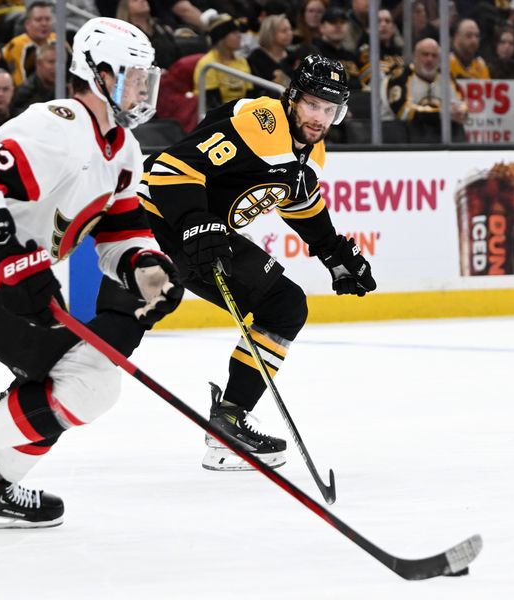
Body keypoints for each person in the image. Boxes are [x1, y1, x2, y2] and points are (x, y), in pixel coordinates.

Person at [0, 17, 182, 532]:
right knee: (87, 381)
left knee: (81, 382)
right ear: (97, 74)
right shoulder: (55, 127)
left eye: (147, 77)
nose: (144, 88)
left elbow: (119, 228)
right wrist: (13, 254)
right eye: (133, 76)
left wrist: (144, 264)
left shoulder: (122, 148)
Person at [139, 54, 376, 471]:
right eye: (312, 104)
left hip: (192, 232)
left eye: (329, 108)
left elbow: (299, 201)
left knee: (283, 306)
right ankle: (228, 423)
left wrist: (333, 252)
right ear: (292, 98)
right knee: (282, 305)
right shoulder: (263, 124)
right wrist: (196, 222)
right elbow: (171, 167)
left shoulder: (311, 153)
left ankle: (228, 425)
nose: (319, 118)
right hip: (157, 217)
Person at [381, 37, 467, 143]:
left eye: (434, 56)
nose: (429, 59)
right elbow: (403, 112)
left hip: (438, 135)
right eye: (425, 54)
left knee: (457, 127)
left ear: (440, 59)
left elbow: (461, 103)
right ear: (415, 57)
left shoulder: (446, 77)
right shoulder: (400, 77)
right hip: (404, 137)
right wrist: (441, 114)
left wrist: (461, 112)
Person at [193, 13, 253, 110]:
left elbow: (250, 94)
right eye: (234, 33)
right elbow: (212, 102)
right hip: (217, 116)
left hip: (241, 112)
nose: (239, 36)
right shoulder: (208, 63)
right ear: (221, 37)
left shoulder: (242, 61)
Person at [2, 1, 56, 87]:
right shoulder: (18, 45)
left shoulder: (57, 40)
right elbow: (20, 85)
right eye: (39, 20)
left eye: (47, 19)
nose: (44, 24)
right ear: (27, 24)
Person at [247, 13, 295, 88]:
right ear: (270, 33)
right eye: (284, 31)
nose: (290, 33)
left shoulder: (293, 56)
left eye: (290, 29)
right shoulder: (256, 57)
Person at [11, 40, 55, 115]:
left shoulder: (65, 90)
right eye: (51, 62)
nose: (55, 67)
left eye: (58, 62)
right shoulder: (24, 92)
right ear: (38, 63)